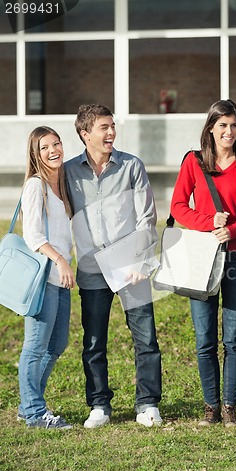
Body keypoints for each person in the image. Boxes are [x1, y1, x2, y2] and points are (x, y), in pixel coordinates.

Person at [65, 104, 162, 429]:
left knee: (145, 337)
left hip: (130, 267)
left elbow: (147, 217)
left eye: (112, 126)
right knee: (93, 340)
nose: (111, 133)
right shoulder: (68, 172)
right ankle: (99, 405)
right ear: (85, 133)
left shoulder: (131, 166)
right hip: (92, 269)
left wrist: (141, 261)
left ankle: (147, 403)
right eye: (103, 127)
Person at [170, 99, 236, 427]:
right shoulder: (194, 162)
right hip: (201, 257)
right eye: (223, 125)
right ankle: (210, 407)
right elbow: (179, 206)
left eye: (234, 125)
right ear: (210, 128)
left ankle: (230, 407)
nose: (229, 131)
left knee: (234, 337)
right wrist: (211, 222)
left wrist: (235, 228)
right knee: (204, 338)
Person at [18, 126, 75, 429]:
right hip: (45, 276)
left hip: (59, 278)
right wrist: (61, 260)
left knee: (57, 344)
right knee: (36, 345)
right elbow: (32, 235)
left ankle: (29, 402)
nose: (54, 151)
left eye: (56, 144)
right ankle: (34, 411)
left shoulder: (60, 186)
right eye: (45, 148)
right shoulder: (35, 186)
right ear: (35, 154)